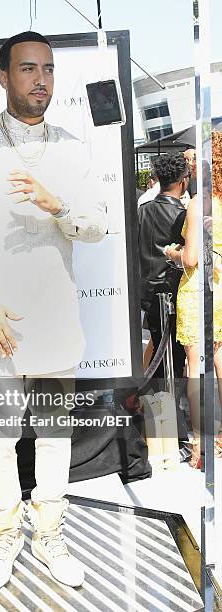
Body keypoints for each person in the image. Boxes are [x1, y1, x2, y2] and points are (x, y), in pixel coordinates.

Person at [0, 31, 107, 592]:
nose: (42, 81)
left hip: (55, 318)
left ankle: (51, 535)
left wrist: (57, 203)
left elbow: (98, 225)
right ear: (4, 76)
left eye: (49, 70)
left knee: (56, 436)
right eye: (29, 69)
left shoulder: (71, 148)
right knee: (0, 438)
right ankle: (6, 534)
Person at [166, 132, 222, 468]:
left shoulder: (200, 204)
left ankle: (200, 445)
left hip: (198, 291)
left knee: (195, 369)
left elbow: (190, 259)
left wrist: (172, 253)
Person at [138, 153, 188, 383]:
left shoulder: (142, 210)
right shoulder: (183, 215)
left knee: (160, 349)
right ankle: (167, 410)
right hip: (174, 292)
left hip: (146, 292)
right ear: (182, 182)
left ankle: (157, 406)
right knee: (174, 357)